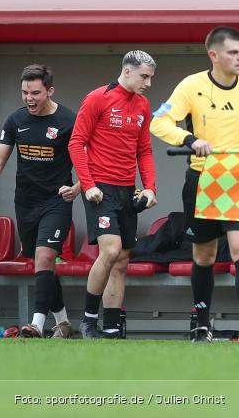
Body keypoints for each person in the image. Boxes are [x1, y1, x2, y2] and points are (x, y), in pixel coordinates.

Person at [150, 26, 239, 344]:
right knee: (205, 256)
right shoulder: (191, 86)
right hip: (203, 179)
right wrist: (190, 138)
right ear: (214, 55)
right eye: (233, 52)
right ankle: (200, 323)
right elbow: (159, 121)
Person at [69, 51, 158, 339]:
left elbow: (144, 150)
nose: (148, 83)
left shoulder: (143, 104)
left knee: (121, 260)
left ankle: (110, 327)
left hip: (126, 190)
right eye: (144, 76)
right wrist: (88, 184)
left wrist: (150, 188)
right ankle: (88, 320)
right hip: (100, 189)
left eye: (150, 77)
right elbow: (76, 142)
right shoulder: (98, 97)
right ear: (128, 71)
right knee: (109, 251)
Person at [0, 65, 79, 338]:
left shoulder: (69, 120)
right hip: (25, 203)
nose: (29, 98)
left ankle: (36, 324)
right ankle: (64, 323)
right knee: (40, 263)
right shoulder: (15, 121)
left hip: (57, 201)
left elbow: (90, 161)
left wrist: (78, 187)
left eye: (35, 92)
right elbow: (0, 160)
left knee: (45, 256)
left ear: (50, 91)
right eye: (24, 92)